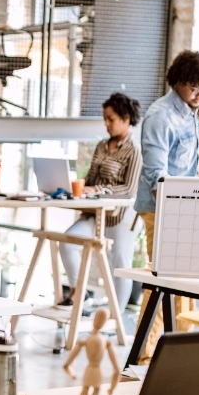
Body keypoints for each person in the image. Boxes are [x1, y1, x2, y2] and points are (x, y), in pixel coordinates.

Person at [134, 50, 199, 361]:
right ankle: (143, 356)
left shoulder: (191, 112)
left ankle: (176, 354)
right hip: (163, 211)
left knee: (185, 285)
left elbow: (193, 160)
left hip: (185, 210)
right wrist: (177, 217)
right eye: (194, 87)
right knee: (161, 281)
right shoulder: (162, 116)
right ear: (178, 82)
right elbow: (156, 175)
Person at [57, 93, 143, 308]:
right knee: (68, 241)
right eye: (104, 118)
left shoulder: (135, 150)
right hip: (95, 214)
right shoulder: (102, 146)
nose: (106, 123)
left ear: (125, 118)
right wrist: (81, 187)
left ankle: (117, 316)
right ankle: (80, 292)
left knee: (120, 263)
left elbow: (129, 188)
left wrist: (98, 188)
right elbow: (92, 178)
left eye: (110, 119)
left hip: (121, 215)